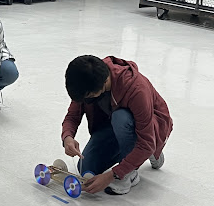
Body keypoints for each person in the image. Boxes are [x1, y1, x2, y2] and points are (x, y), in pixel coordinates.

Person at [61, 55, 173, 195]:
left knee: (121, 118)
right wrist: (68, 137)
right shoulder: (87, 80)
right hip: (114, 127)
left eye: (88, 96)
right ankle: (138, 153)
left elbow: (146, 143)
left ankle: (131, 173)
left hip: (149, 127)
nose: (85, 100)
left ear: (105, 81)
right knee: (87, 169)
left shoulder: (136, 89)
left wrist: (114, 174)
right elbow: (72, 115)